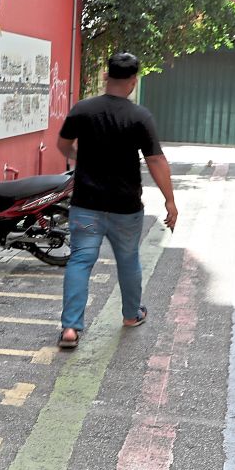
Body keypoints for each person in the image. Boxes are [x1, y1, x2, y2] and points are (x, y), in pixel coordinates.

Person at [55, 52, 177, 349]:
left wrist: (78, 156)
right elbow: (156, 160)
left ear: (106, 77)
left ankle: (70, 328)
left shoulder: (82, 110)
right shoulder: (140, 117)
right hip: (125, 207)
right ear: (133, 82)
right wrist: (169, 201)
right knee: (128, 260)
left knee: (81, 260)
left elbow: (63, 145)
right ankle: (131, 315)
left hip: (86, 204)